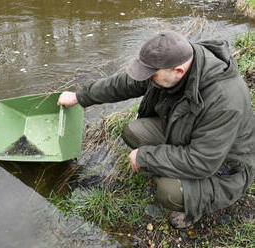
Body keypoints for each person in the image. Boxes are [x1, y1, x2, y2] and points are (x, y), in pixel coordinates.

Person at [57, 31, 255, 229]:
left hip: (224, 170)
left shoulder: (225, 100)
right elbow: (126, 83)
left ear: (178, 72)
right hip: (189, 136)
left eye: (151, 75)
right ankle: (171, 170)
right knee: (133, 132)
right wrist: (80, 97)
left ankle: (193, 206)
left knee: (168, 191)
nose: (148, 78)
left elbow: (203, 162)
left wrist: (146, 157)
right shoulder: (176, 63)